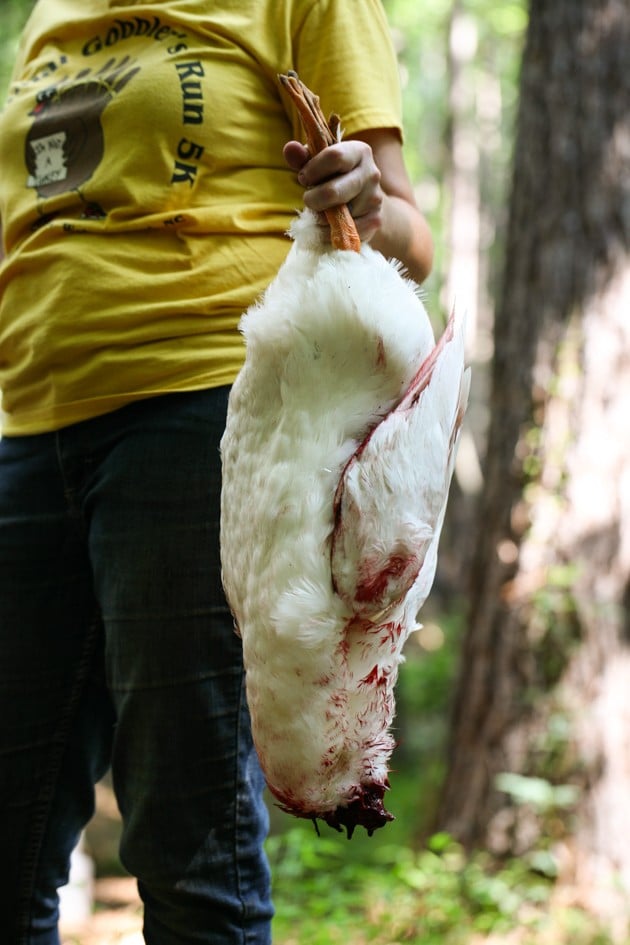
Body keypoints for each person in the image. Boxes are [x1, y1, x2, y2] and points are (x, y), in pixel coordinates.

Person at [0, 1, 433, 943]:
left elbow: (409, 233)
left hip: (203, 415)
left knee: (190, 846)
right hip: (28, 426)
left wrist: (361, 200)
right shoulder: (53, 11)